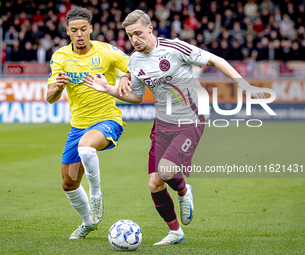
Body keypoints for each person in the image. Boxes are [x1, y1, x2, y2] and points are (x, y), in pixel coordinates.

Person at [83, 10, 265, 245]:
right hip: (162, 121)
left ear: (150, 29)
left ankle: (183, 191)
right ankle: (176, 232)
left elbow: (215, 60)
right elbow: (137, 97)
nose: (134, 40)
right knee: (154, 183)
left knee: (166, 170)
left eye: (138, 33)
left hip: (191, 117)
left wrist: (245, 86)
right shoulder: (135, 61)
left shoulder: (174, 48)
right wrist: (109, 89)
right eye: (129, 36)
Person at [46, 7, 130, 239]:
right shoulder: (60, 57)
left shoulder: (107, 52)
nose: (80, 34)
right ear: (68, 32)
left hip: (107, 120)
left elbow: (135, 68)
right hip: (78, 126)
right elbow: (50, 98)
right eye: (74, 30)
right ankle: (89, 222)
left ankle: (96, 194)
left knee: (86, 146)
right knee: (69, 183)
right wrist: (58, 87)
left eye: (84, 29)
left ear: (91, 29)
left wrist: (124, 77)